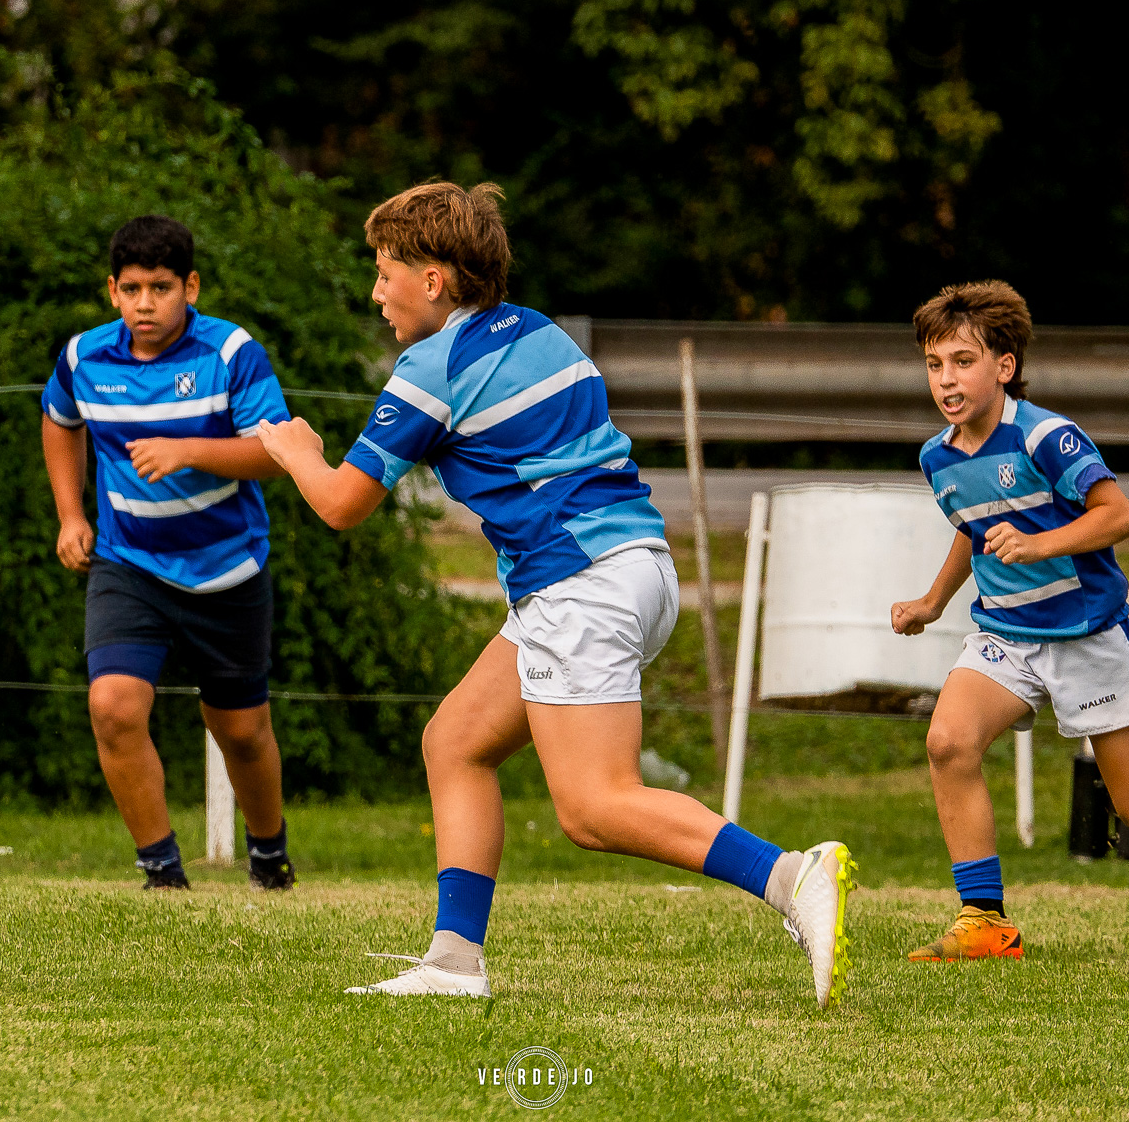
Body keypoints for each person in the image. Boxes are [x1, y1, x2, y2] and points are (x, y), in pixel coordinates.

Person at [256, 180, 858, 1008]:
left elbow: (340, 504)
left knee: (593, 808)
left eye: (384, 269)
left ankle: (792, 876)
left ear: (433, 279)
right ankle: (454, 962)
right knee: (456, 742)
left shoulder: (431, 367)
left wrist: (295, 450)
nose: (375, 292)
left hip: (579, 585)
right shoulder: (539, 332)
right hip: (635, 565)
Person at [892, 280, 1129, 961]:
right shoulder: (936, 456)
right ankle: (985, 920)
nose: (946, 379)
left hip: (1089, 638)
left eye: (963, 361)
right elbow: (973, 531)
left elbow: (1119, 515)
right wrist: (933, 602)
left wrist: (1037, 544)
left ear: (1004, 365)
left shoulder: (1047, 437)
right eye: (935, 364)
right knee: (948, 743)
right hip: (1004, 635)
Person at [40, 215, 296, 892]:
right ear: (111, 292)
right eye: (131, 289)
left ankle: (269, 854)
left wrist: (189, 451)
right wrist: (71, 515)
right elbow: (58, 421)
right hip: (131, 565)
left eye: (160, 287)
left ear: (192, 286)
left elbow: (275, 451)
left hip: (228, 567)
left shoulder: (232, 353)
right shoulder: (84, 358)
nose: (145, 303)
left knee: (240, 729)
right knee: (113, 706)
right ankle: (162, 872)